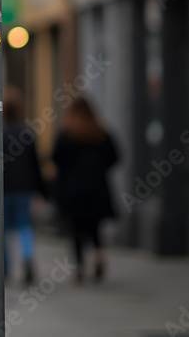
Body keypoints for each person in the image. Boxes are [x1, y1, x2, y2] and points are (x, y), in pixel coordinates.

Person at [52, 95, 119, 283]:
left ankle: (80, 266)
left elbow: (56, 158)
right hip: (96, 189)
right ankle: (98, 256)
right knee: (95, 228)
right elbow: (115, 157)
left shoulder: (66, 135)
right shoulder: (100, 133)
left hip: (73, 190)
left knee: (76, 230)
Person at [2, 86, 47, 286]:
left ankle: (3, 267)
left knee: (0, 228)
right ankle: (27, 257)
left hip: (2, 189)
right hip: (23, 188)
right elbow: (35, 165)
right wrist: (42, 191)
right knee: (24, 225)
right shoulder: (26, 133)